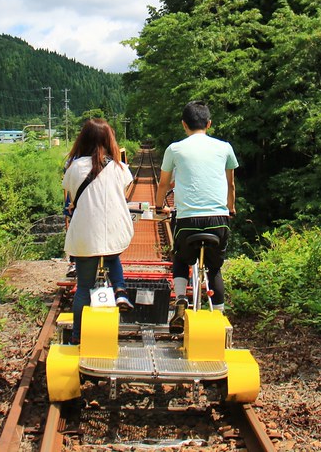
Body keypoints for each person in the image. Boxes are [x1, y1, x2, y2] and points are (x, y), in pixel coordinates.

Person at [154, 101, 237, 332]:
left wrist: (159, 206)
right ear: (209, 124)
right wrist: (230, 208)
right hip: (218, 221)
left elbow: (163, 184)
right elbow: (230, 184)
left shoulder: (174, 149)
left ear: (184, 124)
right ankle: (219, 317)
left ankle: (181, 298)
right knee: (214, 268)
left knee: (181, 257)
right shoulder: (225, 148)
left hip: (187, 222)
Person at [62, 118, 135, 344]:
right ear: (109, 140)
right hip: (115, 231)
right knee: (111, 253)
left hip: (85, 236)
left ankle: (77, 337)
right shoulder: (120, 168)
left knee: (83, 287)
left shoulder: (74, 168)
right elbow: (124, 191)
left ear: (83, 139)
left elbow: (72, 198)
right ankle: (120, 290)